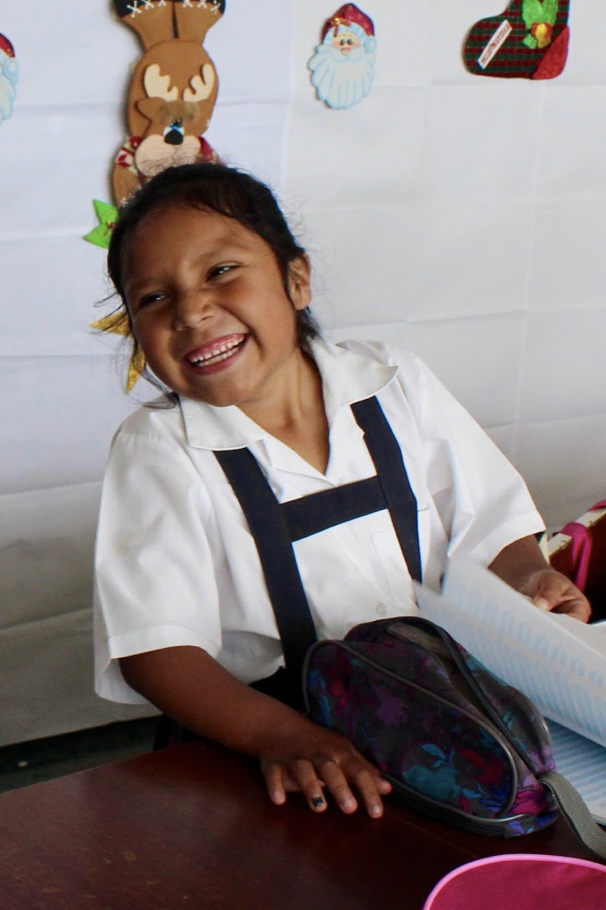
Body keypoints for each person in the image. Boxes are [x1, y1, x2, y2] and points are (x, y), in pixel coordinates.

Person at [92, 162, 589, 821]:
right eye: (153, 298)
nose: (192, 311)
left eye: (220, 271)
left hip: (445, 720)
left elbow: (492, 525)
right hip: (278, 753)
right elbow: (155, 650)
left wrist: (528, 578)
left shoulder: (392, 384)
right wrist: (281, 736)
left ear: (296, 280)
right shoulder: (160, 450)